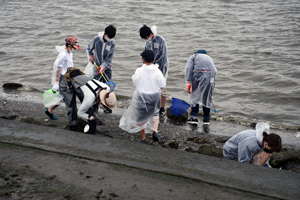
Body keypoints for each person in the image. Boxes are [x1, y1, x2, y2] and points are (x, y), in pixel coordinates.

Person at [119, 50, 166, 142]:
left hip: (142, 96)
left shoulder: (139, 70)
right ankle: (154, 131)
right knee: (155, 113)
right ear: (154, 59)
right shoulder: (158, 71)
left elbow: (135, 82)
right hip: (154, 96)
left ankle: (143, 137)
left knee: (140, 115)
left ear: (143, 60)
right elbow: (162, 85)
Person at [45, 36, 82, 120]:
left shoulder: (69, 53)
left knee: (64, 97)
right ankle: (51, 110)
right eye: (74, 48)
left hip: (69, 77)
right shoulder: (63, 55)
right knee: (64, 97)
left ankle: (50, 110)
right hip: (63, 78)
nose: (74, 50)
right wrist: (56, 83)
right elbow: (58, 68)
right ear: (69, 46)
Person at [86, 25, 116, 113]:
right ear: (105, 34)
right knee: (95, 86)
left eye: (111, 38)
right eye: (109, 37)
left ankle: (105, 105)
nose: (109, 39)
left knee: (107, 86)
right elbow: (88, 48)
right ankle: (93, 104)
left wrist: (103, 67)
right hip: (96, 67)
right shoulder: (96, 39)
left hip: (107, 68)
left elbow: (109, 58)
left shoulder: (112, 44)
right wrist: (91, 57)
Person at [139, 25, 168, 116]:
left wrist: (156, 67)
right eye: (145, 38)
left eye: (147, 37)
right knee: (150, 85)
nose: (147, 39)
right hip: (149, 66)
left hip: (161, 66)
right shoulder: (148, 42)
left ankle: (162, 108)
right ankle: (152, 105)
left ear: (151, 34)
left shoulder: (160, 40)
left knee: (161, 86)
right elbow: (145, 53)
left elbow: (163, 56)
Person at [185, 49, 217, 125]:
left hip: (199, 74)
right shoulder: (209, 58)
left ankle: (194, 118)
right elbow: (215, 71)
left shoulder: (194, 56)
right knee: (207, 97)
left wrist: (188, 83)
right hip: (211, 75)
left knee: (195, 95)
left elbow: (189, 69)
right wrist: (211, 92)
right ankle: (206, 119)